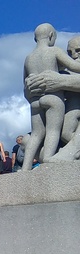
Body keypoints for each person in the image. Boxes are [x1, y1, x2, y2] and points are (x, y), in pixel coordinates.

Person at [23, 24, 80, 170]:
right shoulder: (55, 54)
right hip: (54, 103)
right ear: (51, 36)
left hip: (37, 103)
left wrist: (61, 81)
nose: (74, 56)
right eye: (70, 52)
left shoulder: (29, 58)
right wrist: (29, 90)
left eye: (78, 51)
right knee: (54, 131)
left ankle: (26, 166)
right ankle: (49, 158)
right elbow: (27, 87)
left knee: (38, 134)